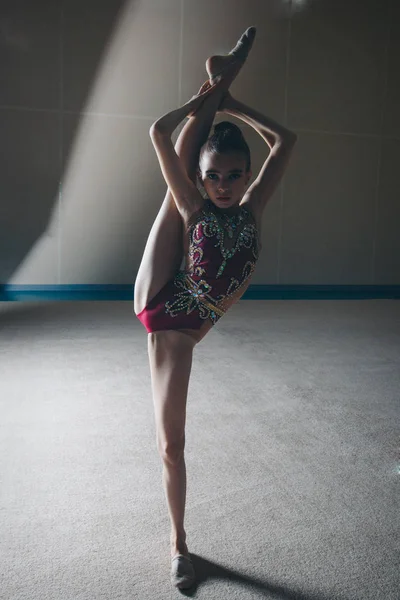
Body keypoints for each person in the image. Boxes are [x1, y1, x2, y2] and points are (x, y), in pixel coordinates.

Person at [134, 27, 297, 589]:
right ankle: (179, 545)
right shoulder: (197, 204)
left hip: (195, 308)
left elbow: (286, 140)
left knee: (186, 186)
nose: (223, 185)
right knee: (171, 445)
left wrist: (232, 102)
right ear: (204, 179)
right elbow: (159, 130)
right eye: (213, 176)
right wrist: (208, 100)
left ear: (246, 177)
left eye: (233, 175)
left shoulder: (250, 211)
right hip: (166, 310)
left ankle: (224, 70)